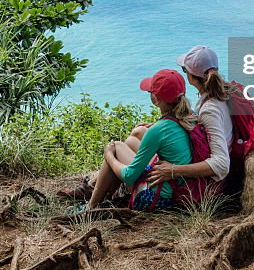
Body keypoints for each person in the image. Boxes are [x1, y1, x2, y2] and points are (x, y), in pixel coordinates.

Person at [84, 69, 196, 211]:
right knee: (130, 142)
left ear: (156, 100)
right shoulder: (190, 117)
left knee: (116, 147)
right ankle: (104, 195)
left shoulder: (158, 131)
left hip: (156, 198)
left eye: (151, 92)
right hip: (180, 189)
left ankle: (89, 208)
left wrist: (109, 156)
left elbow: (130, 176)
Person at [148, 46, 241, 197]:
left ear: (191, 77)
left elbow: (222, 164)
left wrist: (173, 170)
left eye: (185, 70)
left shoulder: (210, 110)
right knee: (143, 133)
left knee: (137, 140)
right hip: (201, 158)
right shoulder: (220, 94)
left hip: (205, 186)